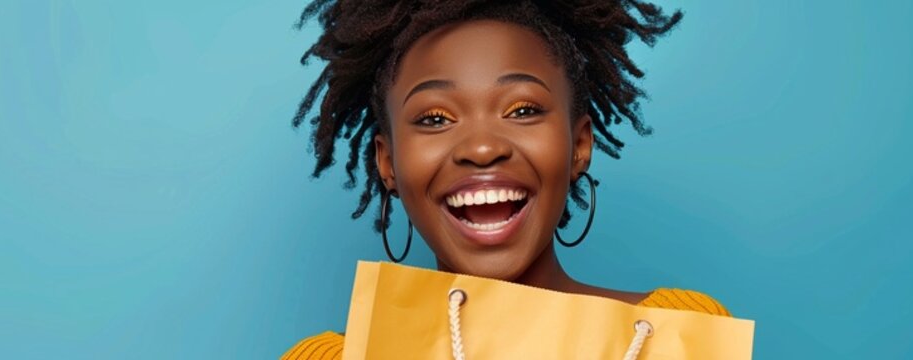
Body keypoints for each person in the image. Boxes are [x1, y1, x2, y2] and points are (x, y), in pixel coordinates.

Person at [282, 1, 730, 358]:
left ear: (579, 145)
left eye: (523, 110)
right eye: (435, 118)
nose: (482, 148)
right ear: (388, 163)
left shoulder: (675, 337)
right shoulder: (338, 358)